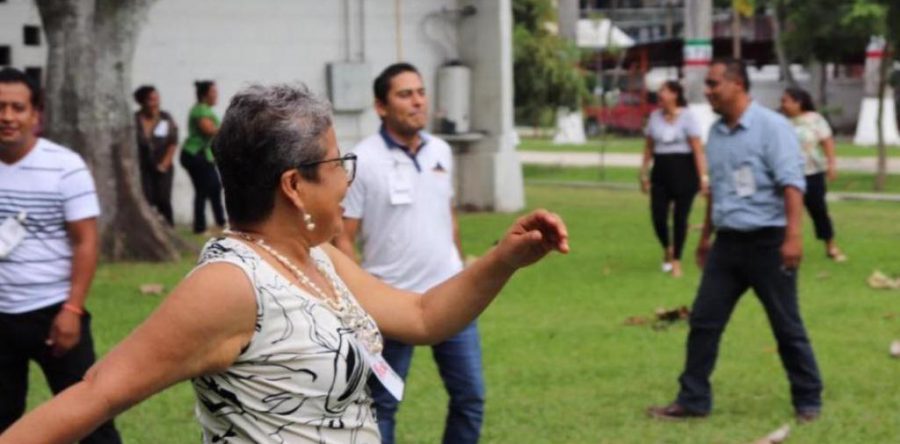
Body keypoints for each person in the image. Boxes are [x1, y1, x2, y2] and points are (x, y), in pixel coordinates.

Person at [0, 83, 569, 444]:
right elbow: (95, 393)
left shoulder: (315, 257)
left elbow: (422, 317)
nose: (349, 177)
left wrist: (504, 259)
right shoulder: (232, 283)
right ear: (295, 185)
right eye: (339, 161)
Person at [647, 59, 823, 423]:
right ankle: (692, 399)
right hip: (727, 245)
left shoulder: (772, 128)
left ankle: (808, 399)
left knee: (785, 324)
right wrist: (705, 237)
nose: (707, 91)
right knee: (704, 322)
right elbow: (718, 190)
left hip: (769, 242)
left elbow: (792, 183)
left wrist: (793, 237)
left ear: (738, 85)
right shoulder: (716, 133)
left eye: (713, 84)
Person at [333, 62, 484, 444]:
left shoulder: (442, 151)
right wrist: (364, 295)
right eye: (405, 94)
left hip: (451, 296)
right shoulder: (362, 160)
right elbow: (342, 237)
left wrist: (462, 269)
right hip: (391, 305)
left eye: (420, 92)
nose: (417, 101)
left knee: (470, 398)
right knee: (382, 404)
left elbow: (447, 217)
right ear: (381, 107)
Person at [0, 67, 121, 443]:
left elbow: (85, 241)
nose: (7, 117)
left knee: (89, 417)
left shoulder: (65, 167)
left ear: (36, 114)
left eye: (17, 107)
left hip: (53, 313)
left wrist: (72, 310)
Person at [640, 80, 708, 278]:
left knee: (680, 217)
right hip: (661, 170)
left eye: (664, 91)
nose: (660, 94)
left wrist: (703, 177)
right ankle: (667, 247)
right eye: (659, 91)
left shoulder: (688, 117)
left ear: (675, 95)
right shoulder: (654, 117)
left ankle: (676, 260)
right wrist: (643, 172)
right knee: (658, 216)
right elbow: (649, 147)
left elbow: (697, 149)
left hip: (684, 171)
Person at [780, 87, 847, 262]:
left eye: (786, 100)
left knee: (819, 210)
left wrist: (831, 164)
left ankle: (830, 246)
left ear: (798, 102)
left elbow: (827, 142)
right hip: (787, 174)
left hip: (812, 173)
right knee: (784, 213)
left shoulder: (814, 119)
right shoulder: (779, 121)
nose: (783, 104)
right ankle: (783, 247)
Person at [180, 80, 226, 234]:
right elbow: (208, 129)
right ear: (205, 95)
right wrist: (231, 130)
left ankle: (221, 223)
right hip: (194, 154)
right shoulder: (200, 110)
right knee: (203, 189)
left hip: (204, 155)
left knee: (215, 187)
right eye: (213, 92)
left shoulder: (205, 109)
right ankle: (200, 227)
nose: (216, 95)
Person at [133, 85, 178, 226]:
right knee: (148, 198)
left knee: (163, 199)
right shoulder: (134, 120)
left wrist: (165, 163)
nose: (155, 103)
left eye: (157, 99)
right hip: (143, 166)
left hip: (163, 165)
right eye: (151, 100)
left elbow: (173, 141)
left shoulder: (165, 118)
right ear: (142, 102)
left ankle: (169, 226)